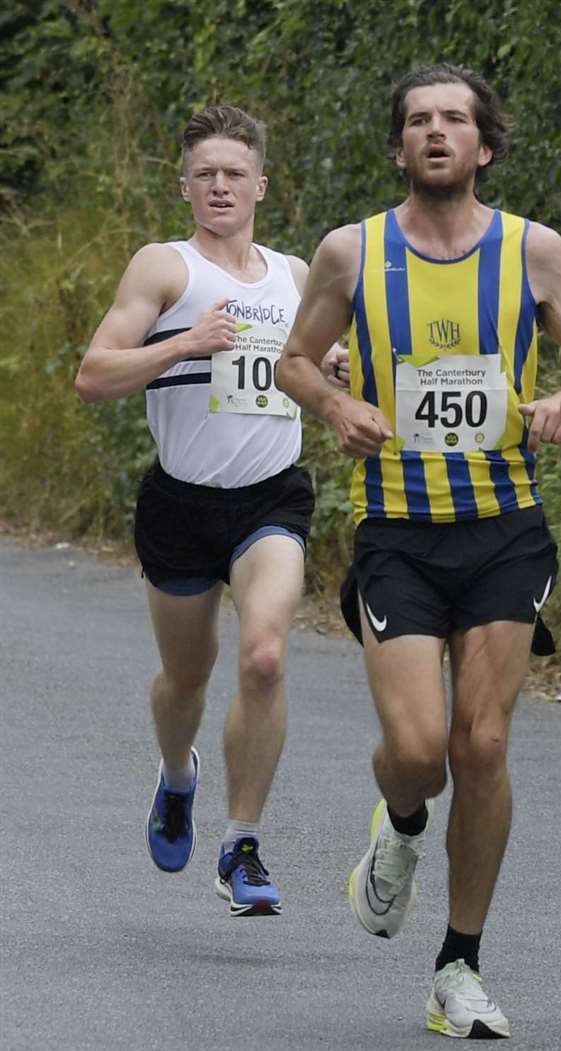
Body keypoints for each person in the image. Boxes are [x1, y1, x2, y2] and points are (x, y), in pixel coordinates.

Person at [277, 63, 561, 1038]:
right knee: (421, 754)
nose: (435, 133)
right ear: (398, 146)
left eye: (453, 120)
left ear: (485, 145)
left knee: (486, 743)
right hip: (399, 537)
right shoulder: (352, 253)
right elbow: (296, 360)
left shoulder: (534, 253)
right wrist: (337, 405)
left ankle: (459, 965)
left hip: (506, 530)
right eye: (418, 120)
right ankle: (403, 826)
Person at [75, 106, 346, 916]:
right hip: (180, 503)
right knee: (184, 681)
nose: (220, 186)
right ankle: (178, 776)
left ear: (261, 184)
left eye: (235, 173)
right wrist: (182, 345)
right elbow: (94, 375)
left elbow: (331, 367)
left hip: (271, 497)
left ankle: (243, 845)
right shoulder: (164, 269)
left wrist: (332, 369)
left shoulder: (299, 276)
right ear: (185, 186)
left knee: (264, 657)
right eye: (206, 174)